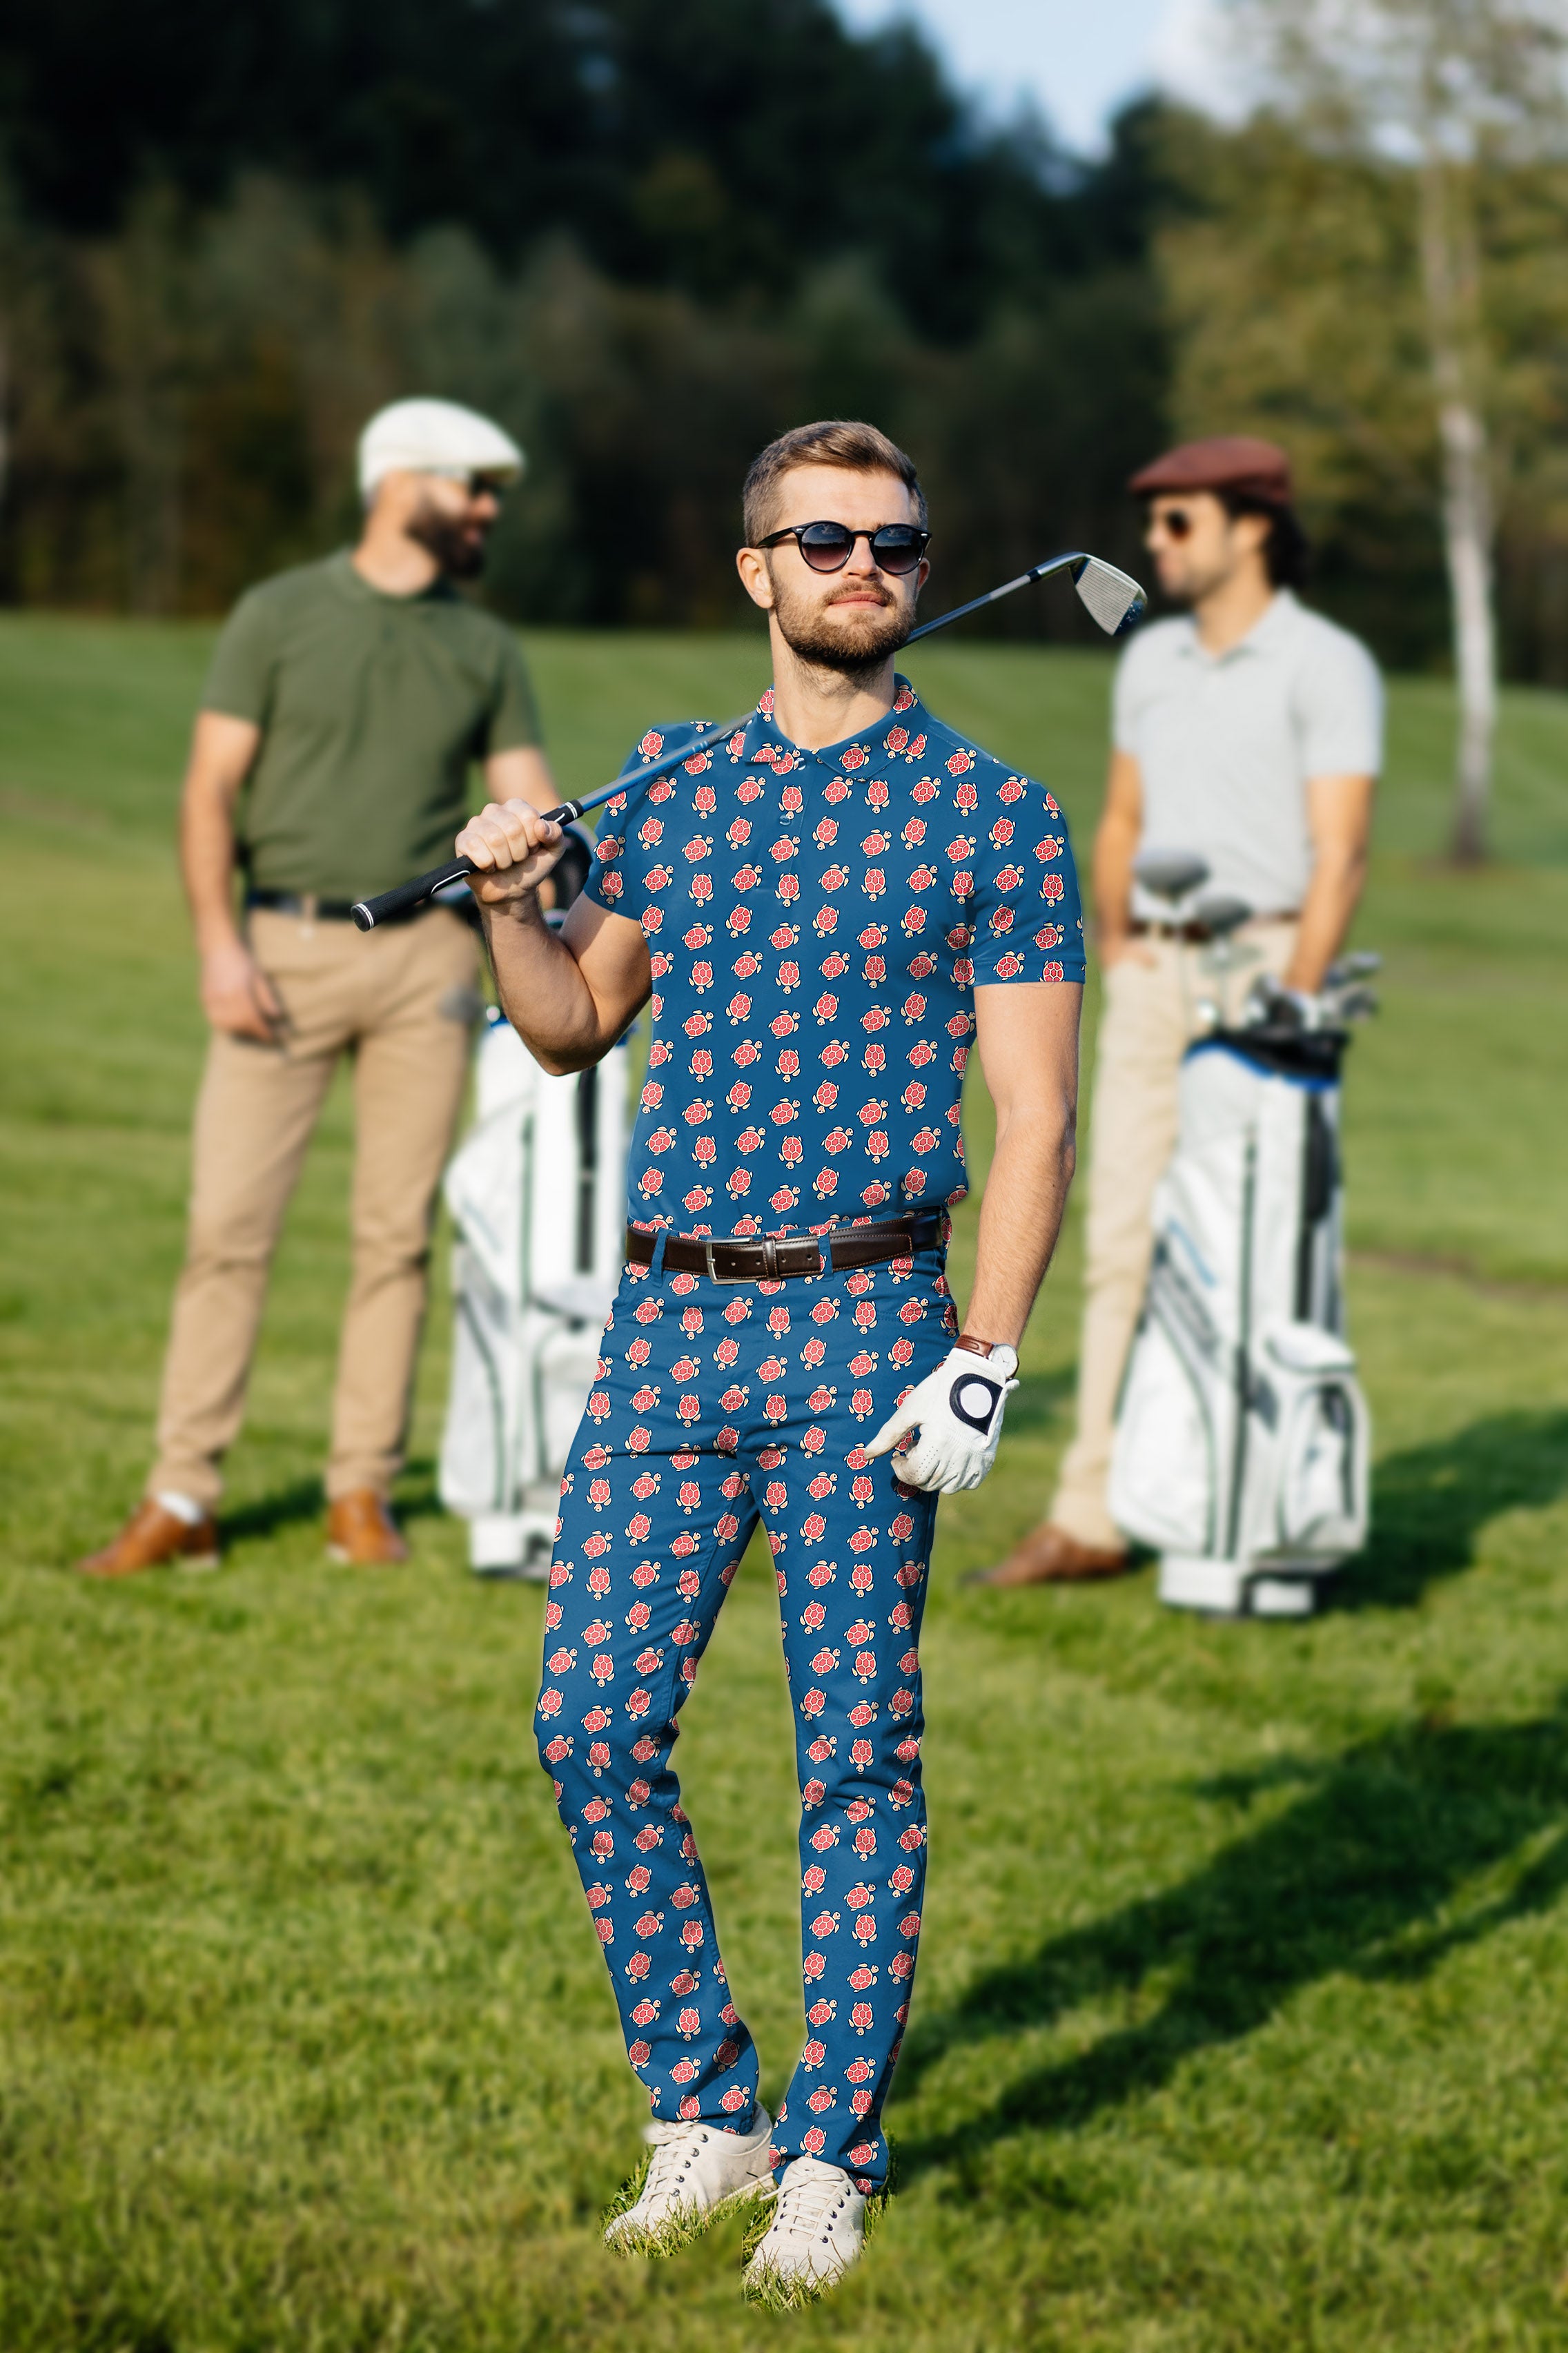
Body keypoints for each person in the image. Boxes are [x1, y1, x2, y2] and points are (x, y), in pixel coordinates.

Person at [453, 419, 1084, 2301]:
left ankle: (830, 2151)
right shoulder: (673, 789)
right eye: (823, 541)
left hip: (872, 1326)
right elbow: (568, 1025)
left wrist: (987, 1352)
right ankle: (704, 2103)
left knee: (853, 1757)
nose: (863, 566)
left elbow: (1037, 1117)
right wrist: (508, 897)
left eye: (893, 541)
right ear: (760, 575)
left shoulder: (996, 812)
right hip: (668, 1325)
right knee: (592, 1721)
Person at [79, 397, 558, 1577]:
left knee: (394, 1238)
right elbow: (209, 792)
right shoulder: (277, 614)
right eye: (472, 486)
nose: (489, 509)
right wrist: (217, 946)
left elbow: (533, 800)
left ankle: (360, 1496)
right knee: (226, 1231)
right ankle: (184, 1493)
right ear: (400, 484)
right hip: (278, 950)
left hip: (430, 966)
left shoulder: (484, 644)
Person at [980, 433, 1382, 1589]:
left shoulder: (1326, 662)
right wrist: (1122, 946)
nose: (1155, 543)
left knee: (1250, 1251)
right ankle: (1094, 1511)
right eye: (1151, 523)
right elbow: (1120, 822)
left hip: (1265, 971)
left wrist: (1294, 1004)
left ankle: (1245, 1509)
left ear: (1253, 525)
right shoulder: (1149, 661)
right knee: (1116, 1245)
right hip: (1154, 974)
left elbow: (1342, 854)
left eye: (1179, 522)